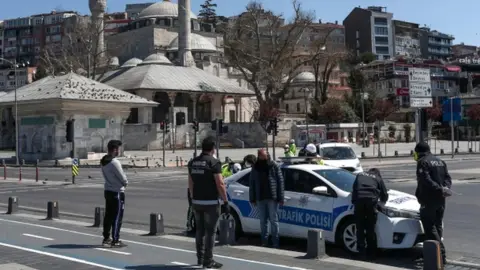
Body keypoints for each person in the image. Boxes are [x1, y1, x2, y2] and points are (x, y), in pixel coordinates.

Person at [188, 137, 229, 269]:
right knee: (210, 232)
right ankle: (208, 260)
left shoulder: (193, 162)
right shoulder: (214, 163)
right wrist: (225, 201)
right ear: (213, 149)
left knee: (199, 230)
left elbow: (190, 183)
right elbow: (220, 183)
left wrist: (193, 197)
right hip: (211, 202)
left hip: (196, 201)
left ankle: (200, 257)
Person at [414, 142, 452, 265]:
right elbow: (447, 178)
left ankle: (440, 254)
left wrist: (438, 188)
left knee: (430, 228)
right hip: (441, 199)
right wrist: (445, 188)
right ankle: (434, 255)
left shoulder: (423, 162)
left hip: (428, 199)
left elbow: (425, 179)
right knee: (438, 226)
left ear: (419, 152)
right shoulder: (440, 161)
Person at [249, 149, 284, 248]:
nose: (266, 156)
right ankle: (264, 242)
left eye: (267, 155)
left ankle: (275, 242)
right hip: (260, 197)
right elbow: (252, 183)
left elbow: (280, 182)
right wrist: (252, 198)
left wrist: (281, 197)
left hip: (272, 197)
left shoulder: (274, 165)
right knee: (263, 221)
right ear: (259, 156)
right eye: (264, 155)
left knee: (274, 220)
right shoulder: (256, 167)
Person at [351, 168, 388, 260]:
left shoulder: (360, 175)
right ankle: (372, 253)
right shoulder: (377, 177)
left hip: (359, 201)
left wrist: (354, 202)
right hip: (371, 202)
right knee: (370, 228)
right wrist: (380, 203)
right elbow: (384, 194)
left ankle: (361, 253)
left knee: (359, 227)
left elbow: (354, 189)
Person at [101, 140, 128, 248]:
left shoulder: (103, 160)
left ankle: (106, 238)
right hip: (117, 192)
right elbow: (122, 177)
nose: (119, 151)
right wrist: (125, 183)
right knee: (117, 217)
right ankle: (115, 239)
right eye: (119, 149)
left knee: (108, 215)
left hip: (108, 190)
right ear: (115, 150)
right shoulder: (114, 162)